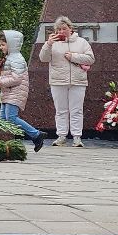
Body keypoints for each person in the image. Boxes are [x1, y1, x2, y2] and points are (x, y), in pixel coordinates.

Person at [37, 16, 95, 147]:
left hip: (78, 81)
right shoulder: (52, 43)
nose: (62, 31)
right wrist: (48, 44)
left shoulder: (81, 42)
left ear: (71, 28)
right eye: (59, 29)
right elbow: (43, 58)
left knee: (77, 110)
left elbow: (91, 59)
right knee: (61, 110)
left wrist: (74, 57)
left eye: (64, 28)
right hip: (58, 80)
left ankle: (77, 137)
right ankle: (61, 135)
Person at [0, 29, 47, 153]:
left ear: (11, 44)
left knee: (11, 118)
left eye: (3, 44)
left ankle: (36, 134)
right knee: (3, 119)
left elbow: (16, 79)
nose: (1, 47)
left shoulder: (17, 58)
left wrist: (0, 82)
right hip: (8, 92)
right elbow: (6, 75)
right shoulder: (10, 58)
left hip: (15, 92)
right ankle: (6, 144)